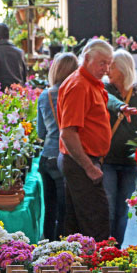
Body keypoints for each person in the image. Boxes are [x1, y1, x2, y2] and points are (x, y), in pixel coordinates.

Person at [57, 39, 137, 241]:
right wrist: (89, 167)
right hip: (82, 162)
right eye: (102, 63)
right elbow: (68, 133)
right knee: (97, 223)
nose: (106, 69)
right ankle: (99, 269)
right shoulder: (78, 85)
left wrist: (120, 107)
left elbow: (104, 100)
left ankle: (77, 266)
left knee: (78, 224)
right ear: (87, 58)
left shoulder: (91, 82)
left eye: (109, 64)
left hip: (87, 160)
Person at [103, 49, 137, 248]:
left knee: (123, 210)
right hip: (106, 160)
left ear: (123, 69)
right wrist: (121, 107)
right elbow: (109, 101)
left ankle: (116, 248)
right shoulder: (105, 90)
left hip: (130, 163)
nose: (108, 70)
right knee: (108, 208)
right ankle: (105, 248)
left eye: (112, 66)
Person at [37, 52, 78, 242]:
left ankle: (45, 247)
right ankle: (60, 249)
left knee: (50, 208)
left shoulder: (45, 95)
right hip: (65, 156)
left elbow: (41, 133)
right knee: (64, 209)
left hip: (47, 157)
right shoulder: (74, 93)